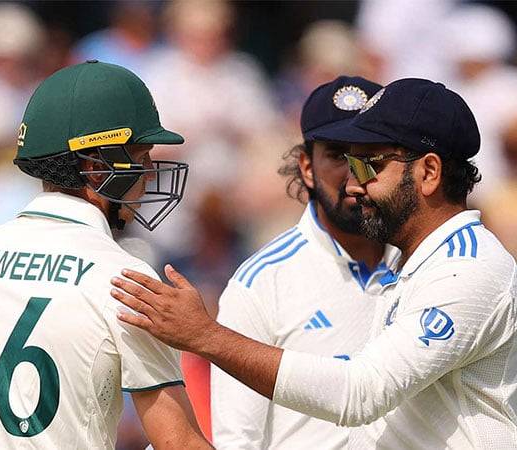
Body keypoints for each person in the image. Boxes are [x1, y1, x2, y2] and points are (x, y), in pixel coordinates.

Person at [111, 78, 517, 449]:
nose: (355, 183)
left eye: (369, 164)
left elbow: (361, 393)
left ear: (429, 172)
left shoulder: (465, 269)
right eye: (341, 159)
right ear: (306, 166)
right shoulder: (418, 264)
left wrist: (206, 336)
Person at [0, 61, 212, 450]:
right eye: (140, 158)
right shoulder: (126, 278)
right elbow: (179, 443)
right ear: (95, 167)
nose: (148, 175)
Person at [211, 76, 399, 449]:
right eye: (336, 154)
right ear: (306, 166)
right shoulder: (261, 283)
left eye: (368, 156)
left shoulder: (427, 262)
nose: (354, 175)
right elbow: (237, 440)